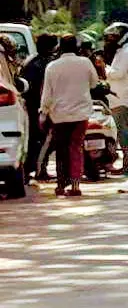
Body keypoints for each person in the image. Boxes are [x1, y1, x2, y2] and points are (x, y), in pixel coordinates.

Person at [40, 35, 98, 197]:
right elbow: (94, 83)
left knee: (61, 150)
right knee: (76, 148)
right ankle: (75, 185)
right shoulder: (85, 63)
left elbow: (47, 94)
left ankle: (60, 185)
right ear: (76, 47)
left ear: (60, 47)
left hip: (59, 115)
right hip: (81, 114)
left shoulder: (52, 66)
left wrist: (43, 113)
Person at [20, 34, 58, 182]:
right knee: (42, 140)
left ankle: (32, 170)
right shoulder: (42, 64)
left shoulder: (32, 61)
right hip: (37, 107)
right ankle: (38, 170)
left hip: (32, 106)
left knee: (35, 140)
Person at [102, 22, 128, 174]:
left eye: (114, 36)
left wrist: (103, 67)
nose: (111, 39)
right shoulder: (121, 51)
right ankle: (122, 162)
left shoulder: (127, 53)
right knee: (121, 133)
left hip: (122, 97)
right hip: (118, 97)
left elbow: (118, 73)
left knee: (123, 133)